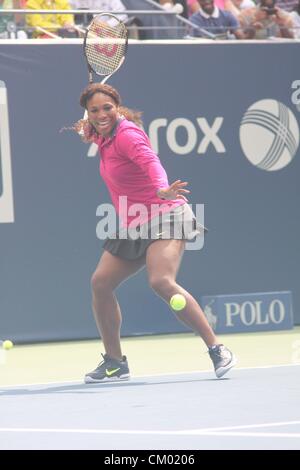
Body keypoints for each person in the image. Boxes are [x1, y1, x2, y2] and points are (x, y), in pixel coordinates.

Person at [74, 82, 236, 383]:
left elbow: (151, 161)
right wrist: (88, 129)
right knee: (100, 283)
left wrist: (161, 187)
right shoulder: (102, 133)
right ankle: (114, 362)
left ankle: (217, 349)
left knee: (161, 281)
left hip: (165, 214)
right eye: (94, 110)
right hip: (133, 221)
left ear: (117, 107)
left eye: (107, 108)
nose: (101, 114)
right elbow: (91, 130)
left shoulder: (128, 135)